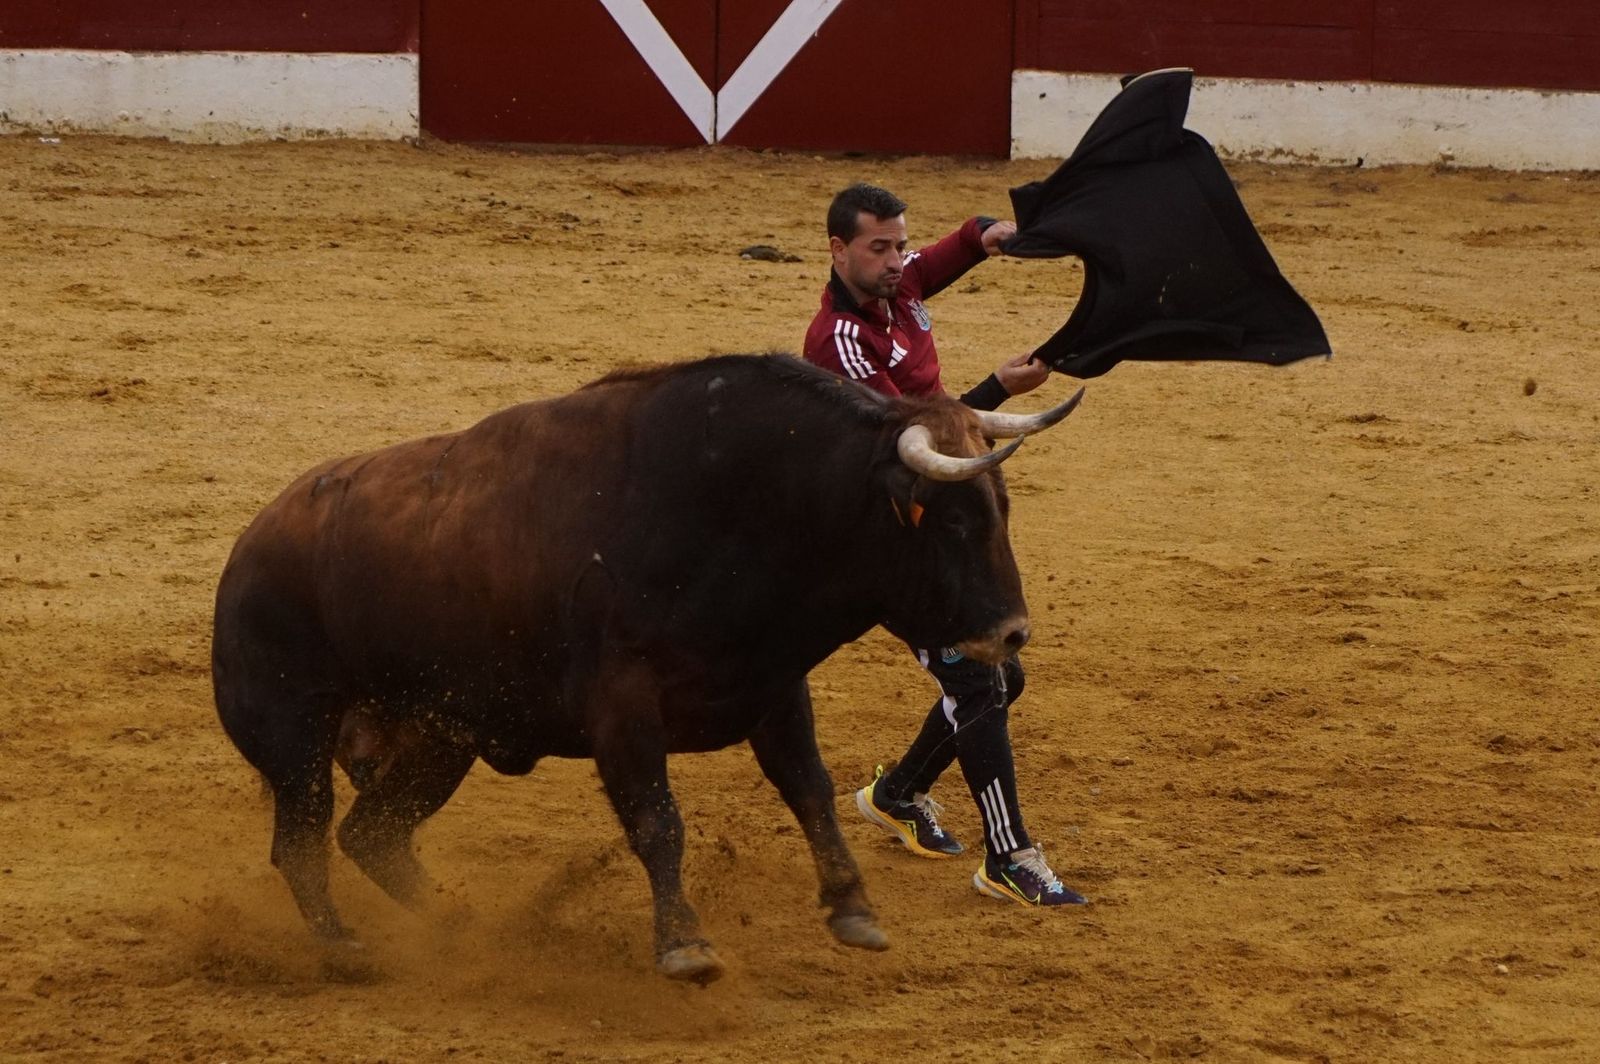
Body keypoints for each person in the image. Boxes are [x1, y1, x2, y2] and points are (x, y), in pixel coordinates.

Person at [802, 183, 1086, 907]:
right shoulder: (840, 338)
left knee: (997, 679)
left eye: (901, 243)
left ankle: (897, 793)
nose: (898, 259)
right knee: (979, 682)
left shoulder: (898, 287)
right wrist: (997, 387)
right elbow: (910, 438)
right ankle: (1009, 856)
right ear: (838, 251)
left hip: (932, 520)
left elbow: (944, 256)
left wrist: (989, 234)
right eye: (880, 247)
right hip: (881, 538)